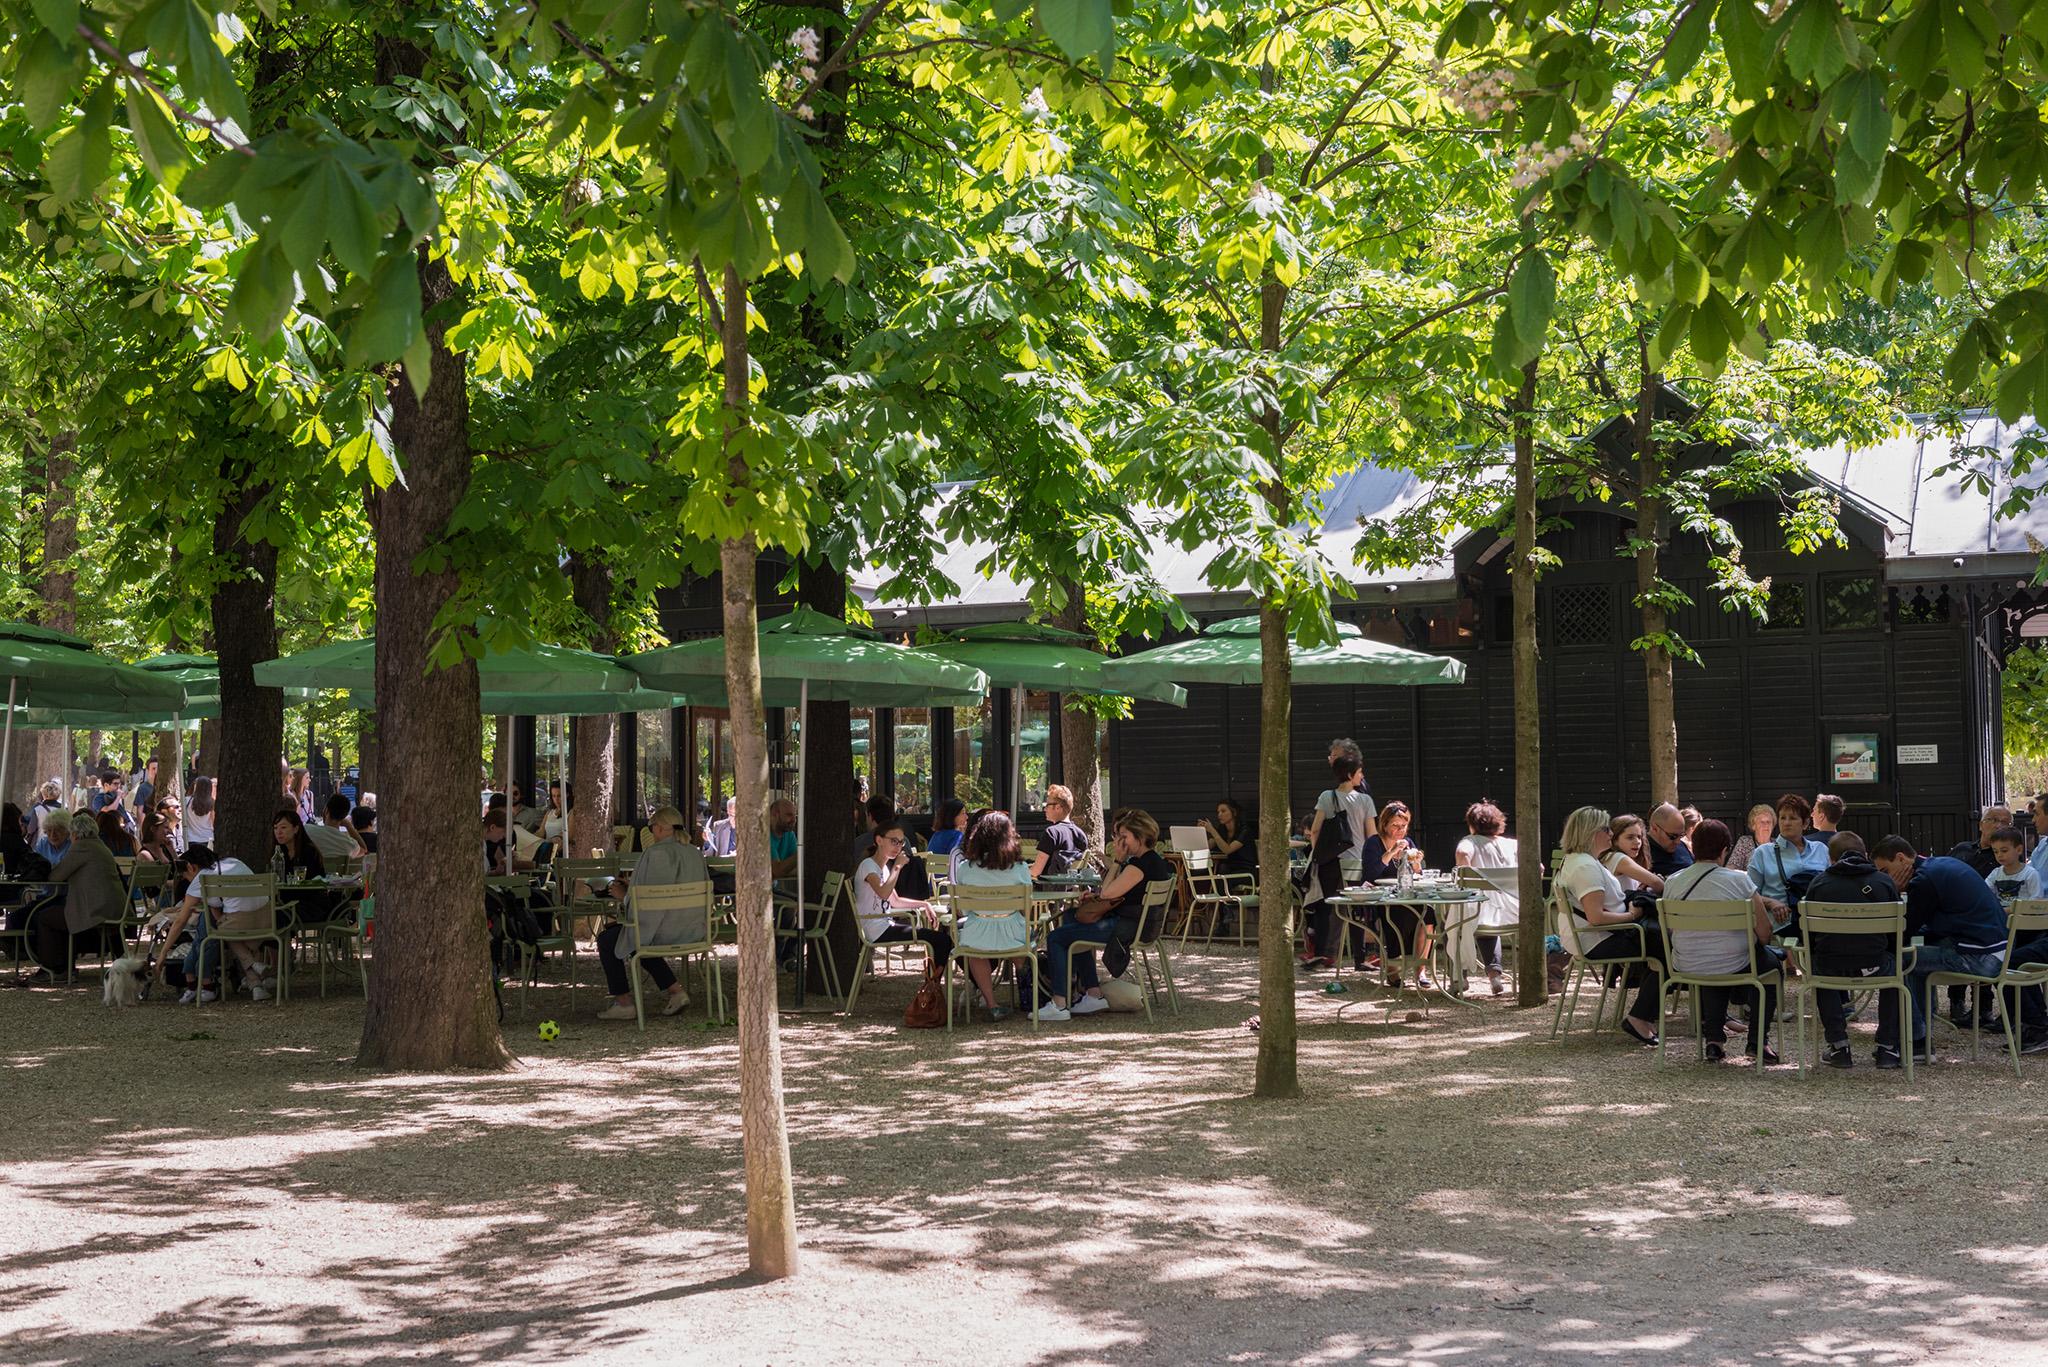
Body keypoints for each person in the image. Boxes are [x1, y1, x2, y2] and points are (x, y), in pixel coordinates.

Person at [1870, 836, 2010, 1067]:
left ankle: (1915, 1040)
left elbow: (1903, 932)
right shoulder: (1939, 865)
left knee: (1902, 959)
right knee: (1915, 956)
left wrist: (1893, 891)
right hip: (1993, 950)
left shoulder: (1924, 880)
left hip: (1979, 957)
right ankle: (1919, 1036)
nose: (1884, 878)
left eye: (1885, 871)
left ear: (1901, 858)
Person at [1662, 819, 1782, 1064]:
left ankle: (1714, 1041)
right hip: (1732, 961)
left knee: (1713, 960)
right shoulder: (1739, 881)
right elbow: (1764, 932)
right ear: (1725, 849)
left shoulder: (1673, 882)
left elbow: (1672, 930)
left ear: (1693, 847)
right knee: (1770, 966)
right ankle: (1759, 1041)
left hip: (1687, 963)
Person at [1037, 810, 1171, 1021]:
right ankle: (1093, 993)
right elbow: (1112, 892)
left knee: (1056, 937)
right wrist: (1098, 895)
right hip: (1139, 925)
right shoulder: (1153, 861)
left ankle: (1059, 1003)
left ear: (1141, 837)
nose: (1120, 842)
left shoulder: (1138, 866)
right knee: (1072, 916)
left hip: (1126, 929)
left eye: (1124, 837)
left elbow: (1108, 892)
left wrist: (1117, 861)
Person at [1556, 804, 1662, 1046]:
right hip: (1598, 939)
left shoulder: (1575, 861)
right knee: (1670, 949)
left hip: (1589, 937)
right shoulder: (1585, 866)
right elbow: (1597, 918)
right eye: (1606, 829)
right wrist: (1632, 915)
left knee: (1662, 943)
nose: (1610, 834)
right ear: (1592, 832)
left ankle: (1645, 1015)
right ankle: (1640, 1017)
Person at [1804, 831, 1908, 1069]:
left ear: (1831, 859)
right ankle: (1888, 1048)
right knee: (1897, 968)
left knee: (1818, 964)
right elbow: (1895, 938)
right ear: (1865, 855)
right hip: (1875, 966)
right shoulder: (1883, 883)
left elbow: (1809, 939)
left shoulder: (1819, 883)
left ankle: (1839, 1046)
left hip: (1830, 967)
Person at [594, 806, 709, 1020]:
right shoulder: (695, 853)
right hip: (693, 930)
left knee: (611, 939)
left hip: (662, 931)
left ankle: (624, 1002)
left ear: (660, 828)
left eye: (652, 826)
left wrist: (624, 895)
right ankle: (675, 991)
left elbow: (648, 905)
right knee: (635, 938)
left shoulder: (654, 854)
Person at [947, 810, 1034, 1019]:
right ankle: (1028, 996)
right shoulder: (1019, 867)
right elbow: (1025, 907)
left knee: (975, 951)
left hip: (978, 932)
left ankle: (991, 1003)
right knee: (1021, 944)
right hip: (1013, 932)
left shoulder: (965, 868)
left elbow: (966, 910)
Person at [158, 843, 269, 1003]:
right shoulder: (234, 862)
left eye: (185, 876)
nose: (187, 880)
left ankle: (253, 970)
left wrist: (163, 954)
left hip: (240, 923)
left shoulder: (201, 879)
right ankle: (255, 980)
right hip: (266, 919)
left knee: (223, 930)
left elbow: (180, 921)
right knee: (228, 927)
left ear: (191, 867)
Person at [853, 820, 954, 989]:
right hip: (876, 929)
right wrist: (898, 867)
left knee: (940, 939)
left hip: (884, 924)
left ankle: (931, 985)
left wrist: (924, 904)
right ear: (879, 840)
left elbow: (895, 900)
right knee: (941, 940)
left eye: (901, 842)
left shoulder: (882, 867)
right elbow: (884, 893)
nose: (898, 846)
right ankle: (932, 988)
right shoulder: (869, 866)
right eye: (894, 841)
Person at [1298, 754, 1376, 970]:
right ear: (1351, 774)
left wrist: (1319, 852)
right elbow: (1372, 835)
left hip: (1330, 861)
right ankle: (1360, 959)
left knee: (1326, 907)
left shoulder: (1326, 796)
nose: (1362, 776)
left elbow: (1315, 829)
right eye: (1360, 772)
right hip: (1357, 861)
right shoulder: (1365, 800)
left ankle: (1323, 955)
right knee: (1357, 909)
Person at [32, 815, 129, 976]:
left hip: (96, 910)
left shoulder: (81, 847)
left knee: (44, 917)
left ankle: (54, 968)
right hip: (115, 907)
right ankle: (65, 966)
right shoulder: (100, 846)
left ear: (74, 834)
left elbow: (55, 877)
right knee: (59, 913)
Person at [1455, 800, 1519, 997]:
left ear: (1472, 824)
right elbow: (1539, 869)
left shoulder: (1470, 842)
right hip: (1515, 912)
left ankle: (1460, 976)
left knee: (1457, 919)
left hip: (1480, 913)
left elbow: (1462, 853)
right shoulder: (1513, 844)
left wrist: (1466, 877)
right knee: (1485, 912)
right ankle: (1494, 975)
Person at [1744, 794, 1828, 925]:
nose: (1786, 823)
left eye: (1793, 818)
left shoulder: (1821, 850)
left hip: (1819, 926)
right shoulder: (1762, 853)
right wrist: (1771, 903)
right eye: (1782, 818)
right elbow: (1748, 894)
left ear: (1805, 823)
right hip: (1780, 928)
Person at [1600, 813, 1666, 895]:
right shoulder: (1618, 858)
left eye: (1639, 837)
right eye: (1630, 837)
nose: (1637, 842)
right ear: (1615, 840)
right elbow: (1656, 883)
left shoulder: (1614, 857)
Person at [1036, 785, 1089, 875]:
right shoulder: (1080, 834)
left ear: (1058, 807)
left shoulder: (1051, 833)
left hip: (1048, 887)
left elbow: (1035, 871)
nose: (1045, 809)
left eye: (1047, 805)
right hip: (1072, 887)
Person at [1200, 797, 1256, 880]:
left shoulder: (1244, 831)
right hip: (1229, 867)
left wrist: (1212, 830)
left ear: (1234, 812)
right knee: (1212, 872)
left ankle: (1220, 892)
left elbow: (1228, 850)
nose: (1219, 815)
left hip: (1245, 870)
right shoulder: (1222, 829)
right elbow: (1208, 845)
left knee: (1221, 874)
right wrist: (1200, 832)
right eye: (1218, 812)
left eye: (1223, 811)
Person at [1946, 806, 2009, 878]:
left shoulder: (2008, 857)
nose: (1998, 826)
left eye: (2005, 822)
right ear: (1981, 825)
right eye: (1994, 820)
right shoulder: (1962, 848)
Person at [1987, 826, 2042, 903]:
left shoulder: (2030, 874)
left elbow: (2036, 900)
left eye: (2004, 851)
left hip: (2022, 914)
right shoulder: (1995, 874)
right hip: (2000, 913)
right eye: (1996, 851)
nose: (1999, 855)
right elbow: (1985, 892)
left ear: (2019, 850)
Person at [307, 793, 363, 863]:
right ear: (344, 817)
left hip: (312, 872)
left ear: (326, 810)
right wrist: (348, 826)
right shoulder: (351, 844)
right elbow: (364, 849)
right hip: (337, 873)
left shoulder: (307, 830)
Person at [1645, 803, 1694, 878]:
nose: (1678, 842)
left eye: (1681, 835)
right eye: (1672, 836)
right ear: (1655, 829)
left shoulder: (1681, 846)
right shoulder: (1641, 851)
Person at [1728, 804, 1775, 872]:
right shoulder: (1745, 842)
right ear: (1753, 826)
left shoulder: (1778, 844)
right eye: (1762, 822)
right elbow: (1730, 868)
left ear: (1773, 825)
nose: (1766, 825)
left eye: (1768, 822)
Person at [768, 797, 799, 881]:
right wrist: (802, 853)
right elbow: (777, 871)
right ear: (775, 815)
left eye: (794, 816)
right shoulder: (763, 836)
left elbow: (799, 868)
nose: (794, 820)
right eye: (789, 815)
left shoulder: (789, 834)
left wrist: (784, 869)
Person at [184, 777, 216, 847]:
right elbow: (214, 821)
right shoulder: (212, 802)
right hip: (208, 837)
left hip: (190, 838)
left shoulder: (186, 801)